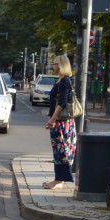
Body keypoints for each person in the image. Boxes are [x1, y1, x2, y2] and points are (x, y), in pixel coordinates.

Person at [43, 56, 77, 190]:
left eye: (56, 64)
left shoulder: (65, 81)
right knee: (60, 151)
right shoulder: (61, 80)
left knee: (61, 151)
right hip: (60, 121)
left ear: (62, 65)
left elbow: (62, 103)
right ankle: (59, 180)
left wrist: (53, 119)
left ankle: (58, 181)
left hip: (62, 122)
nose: (54, 66)